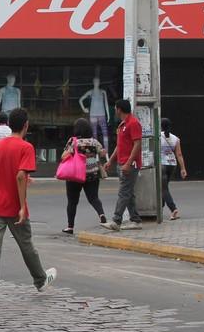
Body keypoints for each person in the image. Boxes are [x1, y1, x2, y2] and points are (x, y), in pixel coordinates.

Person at [0, 107, 56, 302]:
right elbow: (21, 176)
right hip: (14, 206)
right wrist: (22, 206)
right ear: (26, 125)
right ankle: (40, 280)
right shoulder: (25, 147)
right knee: (26, 245)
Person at [60, 118, 108, 234]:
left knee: (72, 201)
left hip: (75, 175)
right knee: (93, 198)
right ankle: (101, 215)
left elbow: (64, 156)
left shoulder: (73, 141)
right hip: (92, 174)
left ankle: (70, 227)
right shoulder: (94, 142)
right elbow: (102, 153)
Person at [104, 99, 142, 231]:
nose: (114, 110)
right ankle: (136, 220)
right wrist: (110, 161)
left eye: (115, 108)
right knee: (128, 193)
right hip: (121, 163)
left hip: (129, 165)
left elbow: (137, 144)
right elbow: (119, 147)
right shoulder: (122, 125)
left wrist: (128, 163)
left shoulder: (133, 123)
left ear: (119, 109)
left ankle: (116, 220)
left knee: (123, 192)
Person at [159, 117, 187, 220]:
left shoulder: (158, 136)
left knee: (163, 188)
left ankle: (173, 209)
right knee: (163, 187)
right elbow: (179, 155)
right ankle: (159, 209)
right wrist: (183, 169)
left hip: (162, 165)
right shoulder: (176, 138)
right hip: (172, 165)